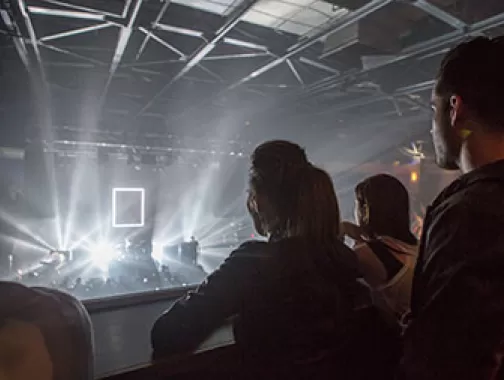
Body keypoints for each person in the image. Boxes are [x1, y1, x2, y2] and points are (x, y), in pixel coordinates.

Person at [151, 140, 380, 377]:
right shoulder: (343, 258)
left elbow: (166, 333)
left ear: (259, 202)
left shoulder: (252, 262)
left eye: (250, 194)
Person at [400, 36, 504, 380]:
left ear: (455, 109)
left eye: (434, 109)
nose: (431, 126)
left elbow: (447, 362)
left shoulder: (469, 214)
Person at [342, 174, 417, 323]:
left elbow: (329, 270)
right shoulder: (417, 247)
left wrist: (341, 229)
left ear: (365, 210)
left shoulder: (368, 253)